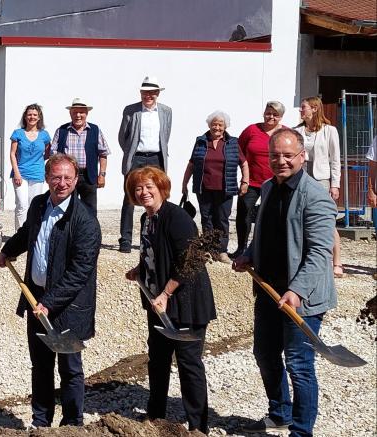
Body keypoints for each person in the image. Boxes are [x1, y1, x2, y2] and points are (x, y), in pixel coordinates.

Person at [233, 129, 337, 437]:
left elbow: (320, 252)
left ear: (302, 156)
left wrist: (297, 290)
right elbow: (263, 232)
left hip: (303, 297)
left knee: (299, 364)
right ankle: (279, 413)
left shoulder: (315, 196)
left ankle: (302, 432)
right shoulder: (267, 186)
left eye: (287, 155)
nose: (280, 161)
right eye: (274, 155)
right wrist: (248, 254)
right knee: (265, 355)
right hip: (268, 289)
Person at [0, 153, 101, 427]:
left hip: (68, 306)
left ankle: (72, 424)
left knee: (70, 368)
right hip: (37, 298)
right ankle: (41, 422)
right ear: (47, 178)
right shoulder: (39, 204)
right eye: (56, 177)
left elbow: (80, 272)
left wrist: (50, 302)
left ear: (76, 181)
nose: (61, 183)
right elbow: (28, 232)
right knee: (41, 365)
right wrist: (8, 250)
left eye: (67, 178)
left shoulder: (85, 221)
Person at [123, 166, 216, 434]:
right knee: (158, 360)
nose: (144, 192)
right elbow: (153, 251)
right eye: (139, 188)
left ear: (161, 188)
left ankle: (198, 426)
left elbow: (191, 262)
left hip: (185, 302)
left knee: (189, 364)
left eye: (149, 187)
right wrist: (140, 270)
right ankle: (155, 417)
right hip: (158, 303)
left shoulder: (177, 218)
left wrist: (165, 293)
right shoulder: (146, 219)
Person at [181, 111, 249, 263]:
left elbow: (244, 163)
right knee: (207, 218)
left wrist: (245, 182)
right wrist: (184, 183)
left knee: (222, 219)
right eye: (214, 124)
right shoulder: (200, 141)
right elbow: (191, 164)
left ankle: (222, 251)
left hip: (226, 188)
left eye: (220, 124)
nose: (217, 127)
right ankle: (208, 250)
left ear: (225, 126)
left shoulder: (232, 143)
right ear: (209, 125)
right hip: (203, 187)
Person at [117, 77, 173, 253]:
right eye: (145, 92)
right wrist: (130, 153)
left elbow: (166, 135)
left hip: (157, 158)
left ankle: (158, 236)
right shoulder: (131, 110)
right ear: (140, 93)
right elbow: (122, 136)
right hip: (137, 158)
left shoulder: (166, 111)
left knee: (158, 197)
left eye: (152, 92)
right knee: (130, 197)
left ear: (157, 93)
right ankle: (125, 240)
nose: (148, 95)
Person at [295, 96, 345, 278]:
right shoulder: (297, 131)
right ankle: (309, 260)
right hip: (301, 181)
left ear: (314, 109)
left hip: (321, 181)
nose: (301, 111)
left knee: (327, 220)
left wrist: (335, 184)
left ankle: (337, 262)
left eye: (303, 107)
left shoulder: (329, 131)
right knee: (301, 220)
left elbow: (335, 159)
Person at [235, 101, 288, 257]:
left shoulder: (285, 133)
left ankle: (268, 248)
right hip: (251, 182)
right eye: (268, 113)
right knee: (244, 213)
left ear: (281, 117)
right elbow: (238, 151)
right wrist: (244, 175)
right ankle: (242, 248)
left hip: (275, 182)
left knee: (273, 215)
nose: (270, 117)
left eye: (275, 114)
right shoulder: (252, 130)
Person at [50, 98, 109, 213]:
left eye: (81, 112)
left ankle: (90, 231)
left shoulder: (95, 130)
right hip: (67, 177)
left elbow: (103, 153)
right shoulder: (61, 130)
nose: (78, 115)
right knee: (66, 208)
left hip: (89, 176)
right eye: (75, 112)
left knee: (90, 210)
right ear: (70, 113)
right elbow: (53, 155)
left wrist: (102, 175)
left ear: (86, 113)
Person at [9, 103, 51, 230]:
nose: (32, 117)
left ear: (39, 117)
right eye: (29, 114)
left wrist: (37, 163)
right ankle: (20, 233)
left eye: (34, 115)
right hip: (20, 173)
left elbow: (47, 154)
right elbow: (12, 154)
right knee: (22, 204)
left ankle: (32, 232)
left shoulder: (44, 135)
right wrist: (16, 172)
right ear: (25, 117)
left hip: (37, 173)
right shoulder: (18, 133)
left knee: (34, 204)